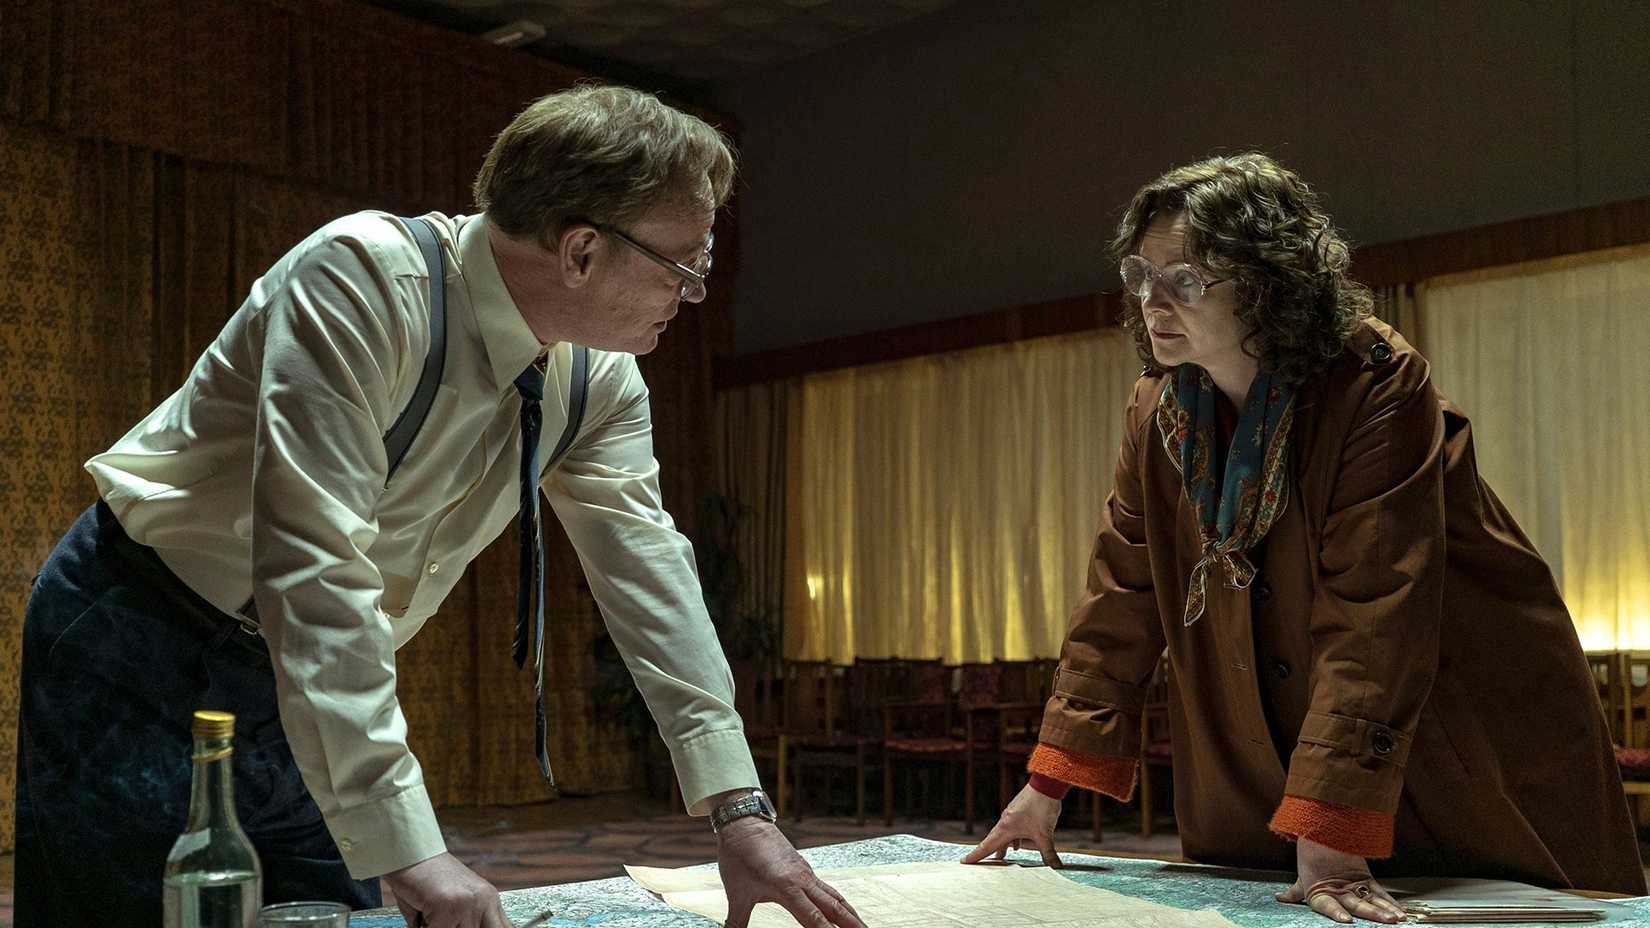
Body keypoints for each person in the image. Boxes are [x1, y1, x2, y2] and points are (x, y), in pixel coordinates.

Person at [15, 84, 862, 928]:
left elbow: (650, 577)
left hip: (298, 678)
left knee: (320, 919)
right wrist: (414, 854)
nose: (694, 292)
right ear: (580, 251)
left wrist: (737, 807)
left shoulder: (597, 379)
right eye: (685, 266)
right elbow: (315, 570)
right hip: (136, 633)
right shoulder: (362, 282)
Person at [965, 153, 1645, 922]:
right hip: (1269, 738)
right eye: (1140, 274)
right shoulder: (1159, 408)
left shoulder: (1376, 384)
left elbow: (1376, 613)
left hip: (1450, 729)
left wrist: (1330, 825)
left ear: (1267, 281)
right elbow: (1122, 592)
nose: (1154, 300)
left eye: (1185, 278)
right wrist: (1046, 784)